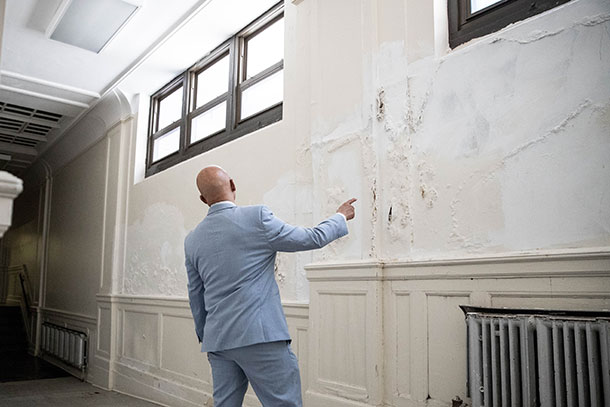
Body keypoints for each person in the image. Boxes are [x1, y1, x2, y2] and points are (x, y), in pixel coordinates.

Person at [184, 165, 356, 407]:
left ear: (203, 199)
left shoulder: (192, 240)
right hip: (260, 336)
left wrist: (207, 336)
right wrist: (339, 217)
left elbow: (196, 295)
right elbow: (311, 238)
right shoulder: (257, 218)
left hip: (218, 340)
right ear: (233, 185)